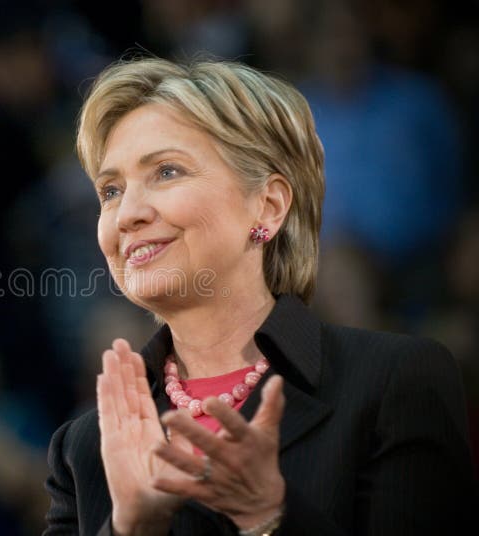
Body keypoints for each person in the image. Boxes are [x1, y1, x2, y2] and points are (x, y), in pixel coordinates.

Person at [43, 57, 477, 535]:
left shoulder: (394, 382)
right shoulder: (85, 445)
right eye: (110, 190)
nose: (126, 214)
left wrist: (268, 518)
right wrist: (129, 528)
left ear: (268, 206)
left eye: (166, 172)